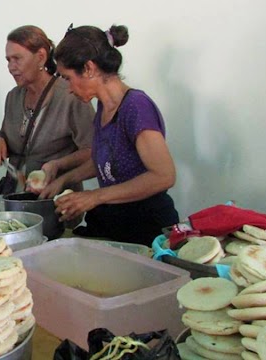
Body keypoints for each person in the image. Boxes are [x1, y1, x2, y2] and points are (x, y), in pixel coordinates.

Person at [52, 23, 179, 246]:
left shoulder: (136, 107)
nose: (69, 88)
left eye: (67, 78)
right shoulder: (103, 107)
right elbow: (106, 159)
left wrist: (95, 197)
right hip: (115, 218)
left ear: (89, 68)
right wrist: (64, 179)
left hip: (145, 225)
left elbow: (164, 175)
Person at [0, 25, 95, 228]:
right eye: (8, 60)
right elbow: (6, 134)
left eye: (17, 58)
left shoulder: (70, 95)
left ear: (41, 57)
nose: (11, 67)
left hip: (55, 207)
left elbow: (93, 150)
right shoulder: (13, 97)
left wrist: (57, 165)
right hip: (16, 203)